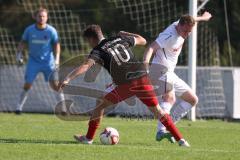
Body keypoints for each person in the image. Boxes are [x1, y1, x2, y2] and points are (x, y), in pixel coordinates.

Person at [59, 24, 190, 147]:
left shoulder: (98, 50)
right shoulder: (119, 39)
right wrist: (125, 33)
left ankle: (88, 138)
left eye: (88, 41)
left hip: (127, 85)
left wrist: (68, 78)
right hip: (143, 79)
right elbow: (142, 40)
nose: (89, 44)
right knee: (159, 111)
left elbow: (86, 66)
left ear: (92, 39)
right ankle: (181, 140)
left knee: (99, 105)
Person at [143, 11, 212, 142]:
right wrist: (145, 68)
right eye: (186, 31)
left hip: (169, 72)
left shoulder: (182, 23)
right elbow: (151, 48)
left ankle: (168, 125)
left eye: (190, 32)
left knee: (192, 100)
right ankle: (161, 130)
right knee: (170, 97)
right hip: (159, 69)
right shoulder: (169, 35)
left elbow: (193, 18)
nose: (188, 34)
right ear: (180, 26)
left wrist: (203, 18)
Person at [15, 8, 66, 114]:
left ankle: (63, 109)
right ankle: (18, 108)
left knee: (55, 85)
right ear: (35, 17)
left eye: (44, 16)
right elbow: (22, 43)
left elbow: (57, 45)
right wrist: (18, 55)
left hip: (48, 62)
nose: (41, 18)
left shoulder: (51, 31)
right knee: (28, 84)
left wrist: (56, 60)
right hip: (33, 62)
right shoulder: (29, 30)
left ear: (47, 18)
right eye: (39, 16)